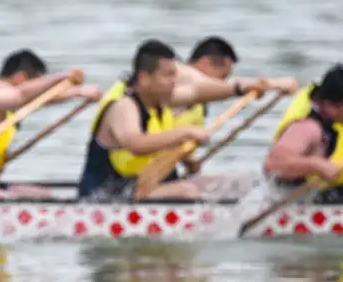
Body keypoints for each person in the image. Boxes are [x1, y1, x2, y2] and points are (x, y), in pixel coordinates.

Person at [77, 39, 283, 200]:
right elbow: (136, 144)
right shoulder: (124, 107)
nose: (174, 81)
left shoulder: (163, 102)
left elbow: (198, 91)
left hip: (147, 187)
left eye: (175, 75)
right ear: (144, 78)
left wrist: (240, 88)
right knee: (187, 191)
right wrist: (185, 132)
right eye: (167, 76)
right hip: (109, 195)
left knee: (240, 182)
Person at [264, 64, 343, 200]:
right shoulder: (308, 127)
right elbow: (273, 164)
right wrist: (316, 165)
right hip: (297, 199)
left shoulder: (333, 122)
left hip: (325, 190)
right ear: (335, 104)